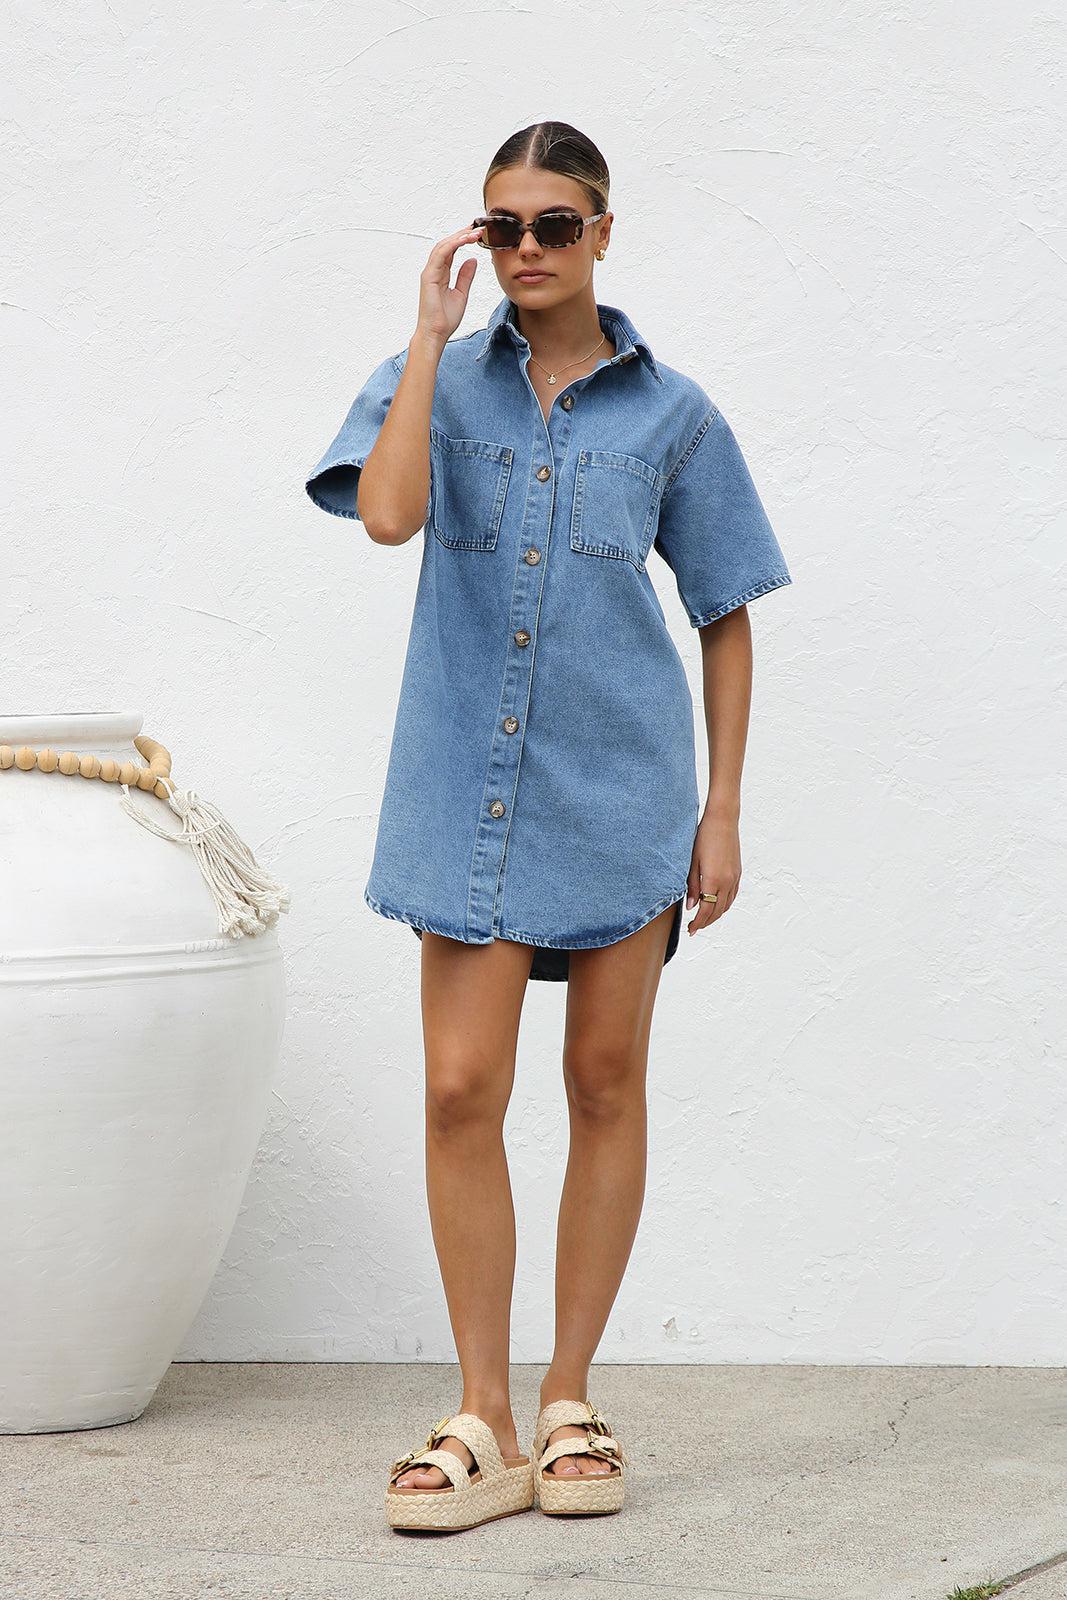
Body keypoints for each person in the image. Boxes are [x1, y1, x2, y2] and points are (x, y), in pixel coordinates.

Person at [305, 120, 792, 1531]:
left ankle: (572, 1397)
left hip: (620, 791)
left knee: (603, 1083)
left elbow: (726, 612)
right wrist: (426, 334)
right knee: (462, 1090)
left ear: (602, 234)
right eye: (502, 224)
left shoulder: (674, 415)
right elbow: (387, 516)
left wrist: (722, 809)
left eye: (554, 225)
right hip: (463, 785)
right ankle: (484, 1415)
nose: (527, 248)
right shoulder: (437, 381)